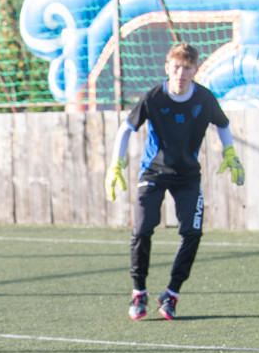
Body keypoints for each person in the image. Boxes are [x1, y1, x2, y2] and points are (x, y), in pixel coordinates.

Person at [105, 42, 245, 320]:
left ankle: (171, 294)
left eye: (187, 68)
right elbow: (127, 128)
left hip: (188, 176)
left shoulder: (204, 98)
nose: (181, 73)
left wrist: (230, 152)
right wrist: (116, 164)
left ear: (195, 70)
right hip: (153, 173)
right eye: (177, 67)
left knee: (192, 233)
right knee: (142, 230)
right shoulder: (154, 97)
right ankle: (139, 292)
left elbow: (223, 124)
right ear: (167, 67)